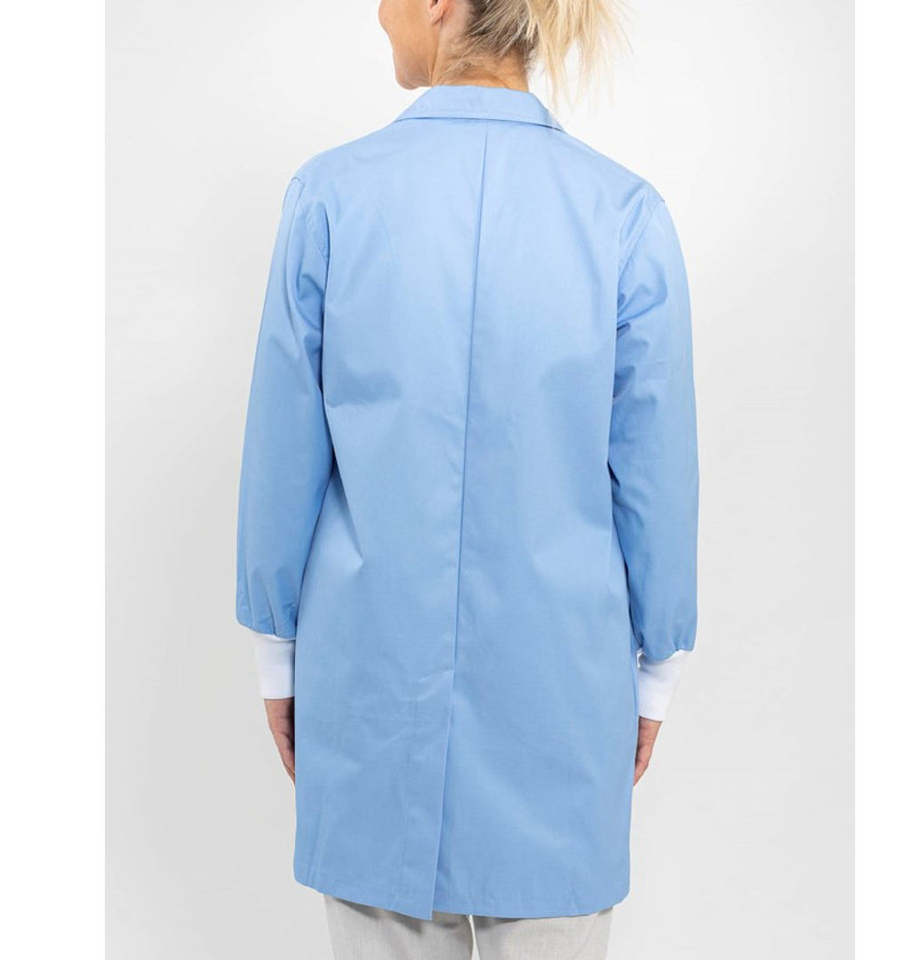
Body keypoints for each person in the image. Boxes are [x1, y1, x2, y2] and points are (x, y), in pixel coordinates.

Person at [236, 1, 698, 957]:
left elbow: (284, 451)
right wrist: (655, 671)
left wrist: (277, 655)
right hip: (565, 694)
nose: (378, 12)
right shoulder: (623, 214)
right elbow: (655, 473)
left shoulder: (329, 198)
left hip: (369, 687)